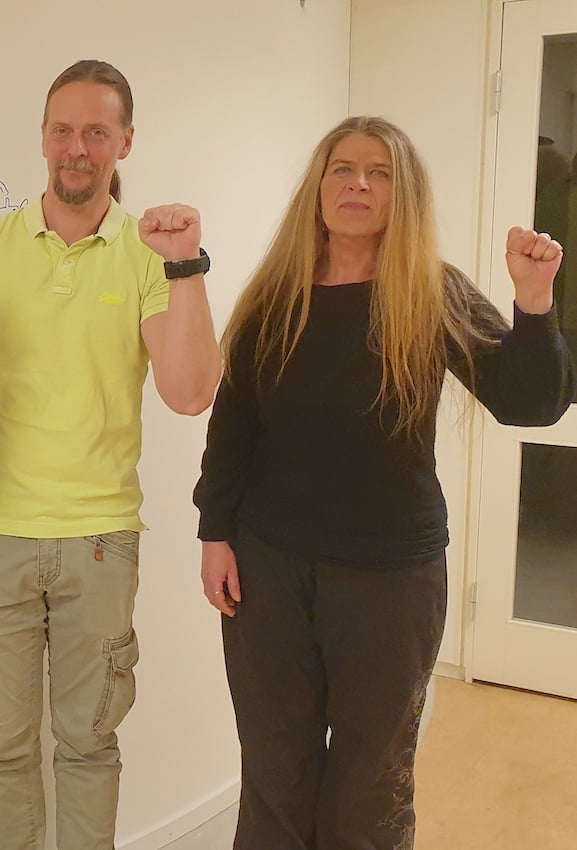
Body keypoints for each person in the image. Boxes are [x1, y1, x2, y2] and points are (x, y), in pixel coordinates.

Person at [195, 115, 572, 850]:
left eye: (380, 173)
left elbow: (527, 403)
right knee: (273, 765)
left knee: (372, 777)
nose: (358, 184)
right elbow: (233, 425)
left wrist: (533, 301)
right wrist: (215, 533)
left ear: (404, 195)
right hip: (269, 568)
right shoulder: (275, 296)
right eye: (343, 168)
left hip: (389, 577)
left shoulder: (430, 292)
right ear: (318, 185)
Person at [0, 59, 222, 849]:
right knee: (2, 751)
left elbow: (190, 392)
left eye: (95, 131)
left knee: (89, 747)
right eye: (62, 130)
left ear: (125, 141)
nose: (76, 148)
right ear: (42, 138)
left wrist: (185, 264)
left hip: (99, 541)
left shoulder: (150, 252)